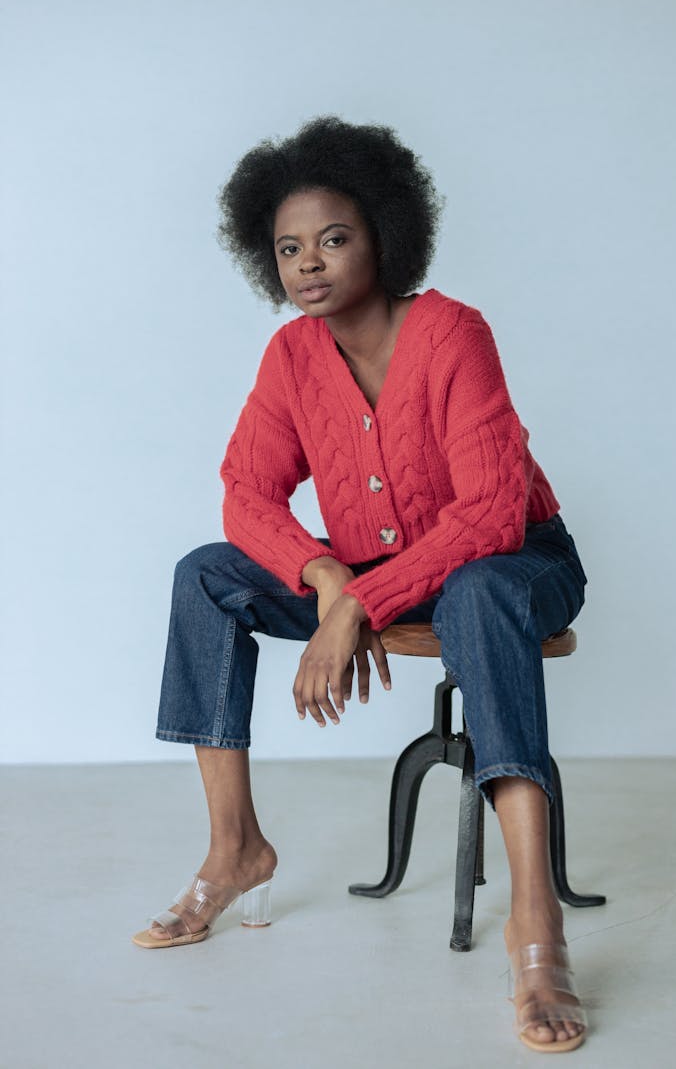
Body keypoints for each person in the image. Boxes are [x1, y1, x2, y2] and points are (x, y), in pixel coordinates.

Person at [131, 116, 589, 1054]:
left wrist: (360, 606)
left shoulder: (454, 333)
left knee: (480, 591)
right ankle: (235, 848)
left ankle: (535, 929)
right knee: (204, 578)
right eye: (289, 248)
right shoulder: (291, 358)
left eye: (334, 238)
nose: (309, 264)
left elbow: (492, 514)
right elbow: (245, 492)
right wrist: (328, 574)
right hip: (375, 571)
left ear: (384, 233)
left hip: (517, 561)